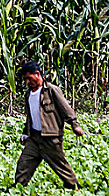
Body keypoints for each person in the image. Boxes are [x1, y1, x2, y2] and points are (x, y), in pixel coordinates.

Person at [15, 61, 84, 189]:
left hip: (50, 137)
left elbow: (65, 109)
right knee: (23, 164)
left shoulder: (51, 90)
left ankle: (74, 187)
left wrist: (74, 125)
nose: (28, 82)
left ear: (37, 74)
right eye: (26, 79)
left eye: (29, 78)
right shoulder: (29, 94)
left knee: (60, 166)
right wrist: (25, 133)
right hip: (34, 137)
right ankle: (17, 189)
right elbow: (30, 116)